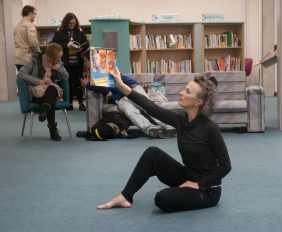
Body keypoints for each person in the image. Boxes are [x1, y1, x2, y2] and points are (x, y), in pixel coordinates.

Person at [96, 68, 232, 212]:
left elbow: (225, 166)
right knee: (152, 154)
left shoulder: (210, 128)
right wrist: (123, 87)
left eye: (187, 91)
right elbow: (151, 107)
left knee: (163, 198)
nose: (181, 92)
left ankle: (189, 192)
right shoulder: (181, 120)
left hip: (207, 190)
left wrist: (198, 185)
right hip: (187, 176)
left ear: (198, 102)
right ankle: (125, 196)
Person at [80, 49, 175, 139]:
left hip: (131, 89)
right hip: (120, 98)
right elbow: (106, 90)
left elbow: (107, 87)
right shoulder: (94, 74)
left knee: (147, 107)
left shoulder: (105, 68)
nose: (84, 64)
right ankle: (151, 129)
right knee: (129, 111)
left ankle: (168, 125)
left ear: (92, 60)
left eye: (85, 61)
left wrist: (88, 85)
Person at [17, 43, 69, 141]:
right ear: (50, 56)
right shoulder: (34, 61)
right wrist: (39, 81)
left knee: (52, 89)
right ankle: (53, 130)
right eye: (57, 57)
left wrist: (59, 69)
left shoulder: (58, 63)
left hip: (52, 92)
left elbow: (66, 76)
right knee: (50, 101)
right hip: (37, 93)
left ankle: (45, 109)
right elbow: (21, 74)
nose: (59, 59)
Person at [52, 12, 89, 111]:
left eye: (73, 23)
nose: (72, 25)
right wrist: (66, 45)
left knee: (78, 82)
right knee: (68, 83)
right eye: (70, 23)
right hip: (66, 62)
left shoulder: (80, 31)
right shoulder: (60, 31)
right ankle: (69, 103)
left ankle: (81, 103)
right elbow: (54, 43)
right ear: (66, 22)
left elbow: (86, 43)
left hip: (78, 61)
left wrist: (81, 48)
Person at [14, 5, 41, 71]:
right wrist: (38, 51)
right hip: (26, 58)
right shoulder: (30, 26)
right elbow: (33, 42)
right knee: (30, 80)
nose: (35, 16)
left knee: (22, 79)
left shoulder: (17, 26)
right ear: (30, 14)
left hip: (17, 58)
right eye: (35, 14)